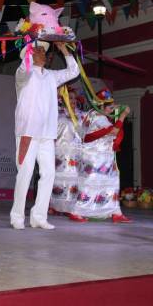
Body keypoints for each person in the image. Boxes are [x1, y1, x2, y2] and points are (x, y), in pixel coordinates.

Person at [10, 40, 79, 230]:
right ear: (30, 54)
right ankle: (17, 216)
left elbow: (74, 71)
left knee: (49, 174)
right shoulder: (23, 74)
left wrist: (64, 50)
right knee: (24, 174)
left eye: (44, 50)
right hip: (27, 133)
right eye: (38, 50)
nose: (43, 53)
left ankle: (39, 216)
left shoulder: (51, 76)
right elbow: (24, 68)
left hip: (47, 134)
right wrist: (29, 48)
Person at [69, 88, 132, 224]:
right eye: (109, 107)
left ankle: (115, 212)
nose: (111, 110)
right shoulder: (99, 118)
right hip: (97, 157)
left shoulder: (90, 114)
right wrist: (122, 116)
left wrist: (115, 109)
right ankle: (76, 211)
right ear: (101, 106)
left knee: (110, 184)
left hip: (99, 156)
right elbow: (114, 132)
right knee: (90, 184)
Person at [49, 87, 83, 216]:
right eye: (69, 98)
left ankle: (70, 207)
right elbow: (52, 134)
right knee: (58, 180)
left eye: (74, 98)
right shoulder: (58, 115)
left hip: (77, 154)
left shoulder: (82, 116)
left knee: (73, 180)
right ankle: (54, 205)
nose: (73, 100)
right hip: (61, 154)